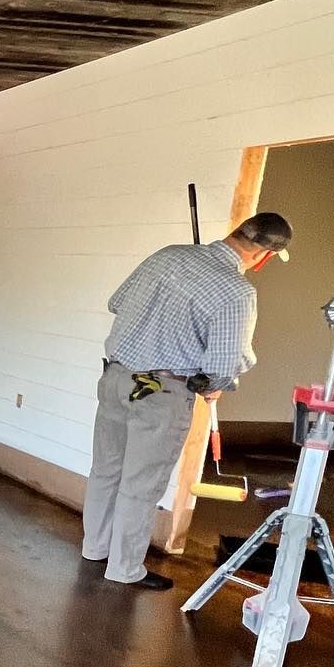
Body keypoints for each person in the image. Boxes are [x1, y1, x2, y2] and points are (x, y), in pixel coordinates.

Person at [82, 211, 294, 589]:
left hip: (115, 378)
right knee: (140, 484)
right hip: (160, 393)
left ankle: (94, 549)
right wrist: (215, 383)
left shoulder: (167, 255)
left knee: (105, 472)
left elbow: (117, 303)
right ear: (263, 256)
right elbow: (227, 363)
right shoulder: (237, 291)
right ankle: (124, 569)